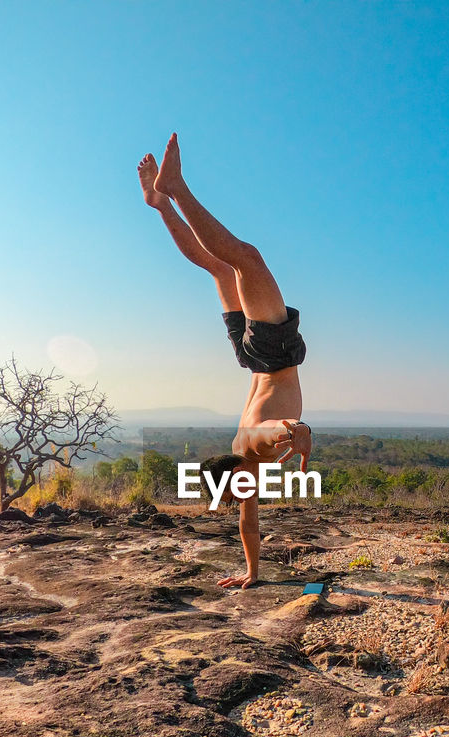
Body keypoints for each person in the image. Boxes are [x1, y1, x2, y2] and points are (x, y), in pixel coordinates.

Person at [138, 133, 312, 590]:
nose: (240, 498)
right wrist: (252, 574)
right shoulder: (245, 469)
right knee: (221, 268)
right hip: (250, 360)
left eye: (233, 491)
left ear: (232, 476)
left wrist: (297, 439)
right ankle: (160, 204)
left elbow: (283, 432)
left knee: (245, 260)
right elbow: (248, 527)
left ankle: (174, 189)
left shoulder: (254, 451)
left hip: (272, 357)